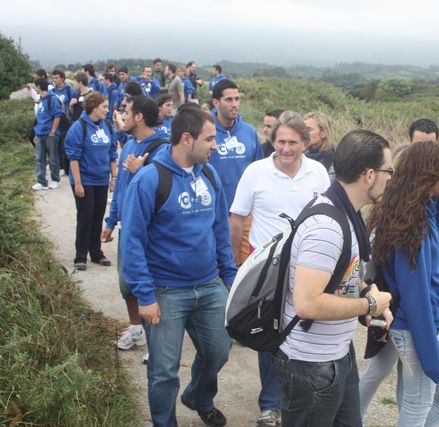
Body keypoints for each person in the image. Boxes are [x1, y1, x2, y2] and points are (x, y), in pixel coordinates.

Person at [121, 104, 235, 427]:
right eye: (210, 139)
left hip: (209, 285)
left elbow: (220, 230)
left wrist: (230, 277)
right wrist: (145, 296)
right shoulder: (148, 180)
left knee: (219, 351)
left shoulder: (210, 175)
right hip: (165, 289)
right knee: (163, 371)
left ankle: (198, 396)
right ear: (187, 139)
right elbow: (131, 242)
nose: (216, 145)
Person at [272, 130, 394, 426]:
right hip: (311, 365)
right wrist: (369, 306)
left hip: (337, 354)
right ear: (368, 174)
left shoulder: (345, 212)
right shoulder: (326, 227)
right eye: (388, 170)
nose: (391, 177)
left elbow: (346, 272)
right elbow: (307, 304)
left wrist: (368, 290)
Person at [229, 111, 330, 426]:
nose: (286, 148)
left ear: (305, 143)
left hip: (309, 268)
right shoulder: (256, 172)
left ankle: (300, 394)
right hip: (266, 271)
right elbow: (237, 218)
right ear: (273, 141)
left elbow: (330, 215)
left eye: (293, 142)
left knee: (304, 330)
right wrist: (236, 262)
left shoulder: (317, 173)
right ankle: (271, 405)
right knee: (268, 333)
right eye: (281, 141)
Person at [366, 141, 439, 426]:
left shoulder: (421, 211)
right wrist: (429, 351)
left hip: (436, 322)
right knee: (417, 404)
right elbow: (416, 295)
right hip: (418, 327)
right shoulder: (412, 228)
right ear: (427, 174)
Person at [102, 96, 170, 354]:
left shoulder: (162, 149)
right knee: (127, 283)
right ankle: (136, 329)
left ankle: (157, 340)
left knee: (152, 283)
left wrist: (139, 172)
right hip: (127, 228)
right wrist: (111, 220)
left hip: (151, 231)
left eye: (127, 112)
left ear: (139, 116)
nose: (123, 116)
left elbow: (162, 192)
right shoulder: (129, 144)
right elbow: (120, 188)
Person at [208, 79, 263, 264]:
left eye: (237, 99)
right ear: (216, 102)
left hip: (245, 215)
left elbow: (259, 172)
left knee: (246, 266)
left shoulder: (249, 132)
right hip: (213, 214)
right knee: (216, 266)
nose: (235, 104)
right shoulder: (206, 131)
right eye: (229, 99)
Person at [64, 92, 117, 270]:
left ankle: (96, 252)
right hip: (84, 179)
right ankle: (80, 256)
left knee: (98, 216)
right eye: (104, 107)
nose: (107, 110)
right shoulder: (79, 127)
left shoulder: (107, 126)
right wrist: (78, 183)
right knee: (85, 217)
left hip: (101, 179)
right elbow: (73, 158)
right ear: (94, 107)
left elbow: (112, 154)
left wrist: (113, 177)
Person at [32, 78, 63, 191]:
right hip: (40, 133)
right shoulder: (40, 99)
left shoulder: (52, 98)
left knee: (53, 158)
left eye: (35, 86)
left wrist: (53, 131)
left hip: (50, 134)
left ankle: (55, 179)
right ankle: (41, 181)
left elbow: (57, 115)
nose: (35, 89)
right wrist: (36, 133)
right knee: (39, 158)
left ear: (39, 86)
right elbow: (39, 117)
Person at [304, 111, 335, 181]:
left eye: (309, 129)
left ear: (323, 133)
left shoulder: (337, 162)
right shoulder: (298, 158)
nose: (304, 133)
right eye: (303, 129)